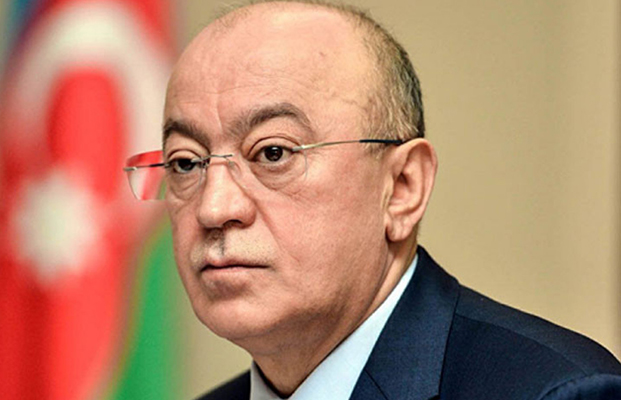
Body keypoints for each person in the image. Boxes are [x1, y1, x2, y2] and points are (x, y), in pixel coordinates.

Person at [123, 0, 621, 398]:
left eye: (273, 153)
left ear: (402, 188)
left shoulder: (554, 392)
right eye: (185, 163)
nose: (214, 208)